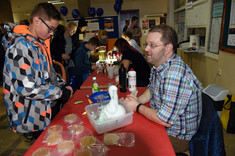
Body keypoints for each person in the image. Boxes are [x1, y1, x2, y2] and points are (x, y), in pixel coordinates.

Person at [123, 25, 202, 154]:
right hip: (164, 123)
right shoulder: (159, 65)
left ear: (168, 48)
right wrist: (137, 100)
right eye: (146, 44)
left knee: (132, 144)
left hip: (176, 136)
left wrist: (137, 107)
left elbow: (165, 120)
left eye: (152, 45)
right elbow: (151, 88)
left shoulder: (175, 75)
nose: (146, 49)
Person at [2, 3, 73, 137]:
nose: (52, 33)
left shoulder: (37, 44)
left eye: (54, 30)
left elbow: (48, 72)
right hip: (30, 116)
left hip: (44, 109)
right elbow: (26, 88)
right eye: (50, 29)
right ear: (36, 21)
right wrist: (59, 93)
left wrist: (62, 85)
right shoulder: (20, 47)